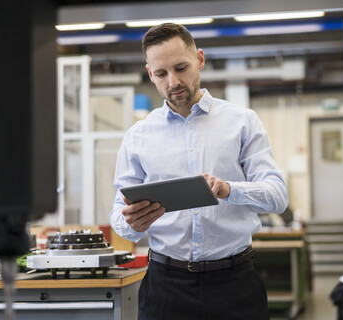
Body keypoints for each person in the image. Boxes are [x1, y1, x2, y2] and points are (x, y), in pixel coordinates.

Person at [110, 23, 288, 320]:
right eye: (161, 74)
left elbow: (277, 195)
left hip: (235, 284)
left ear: (200, 60)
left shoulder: (242, 122)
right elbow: (118, 213)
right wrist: (132, 223)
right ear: (150, 74)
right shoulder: (138, 136)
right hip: (166, 285)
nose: (173, 82)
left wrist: (228, 190)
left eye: (181, 67)